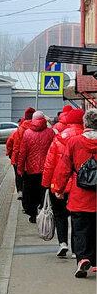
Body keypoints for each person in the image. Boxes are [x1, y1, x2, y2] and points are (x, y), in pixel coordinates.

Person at [52, 107, 97, 278]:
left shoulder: (74, 142)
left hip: (80, 195)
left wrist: (59, 188)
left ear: (85, 123)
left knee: (80, 229)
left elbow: (64, 167)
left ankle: (83, 259)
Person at [41, 107, 84, 258]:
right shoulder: (85, 137)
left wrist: (46, 184)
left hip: (58, 184)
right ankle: (75, 249)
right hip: (79, 185)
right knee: (76, 217)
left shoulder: (58, 138)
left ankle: (62, 243)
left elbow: (49, 163)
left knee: (60, 214)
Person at [17, 110, 55, 223]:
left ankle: (33, 214)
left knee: (31, 192)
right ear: (43, 119)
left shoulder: (27, 133)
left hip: (30, 169)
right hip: (46, 168)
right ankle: (44, 211)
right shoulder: (50, 132)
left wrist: (20, 168)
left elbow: (22, 152)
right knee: (44, 191)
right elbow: (54, 151)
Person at [8, 106, 36, 200]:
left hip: (19, 156)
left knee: (18, 174)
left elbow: (11, 143)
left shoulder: (19, 130)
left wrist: (11, 155)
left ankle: (20, 191)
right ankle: (30, 194)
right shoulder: (39, 128)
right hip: (33, 157)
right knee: (30, 176)